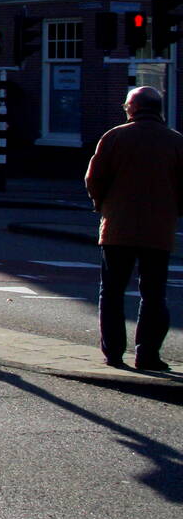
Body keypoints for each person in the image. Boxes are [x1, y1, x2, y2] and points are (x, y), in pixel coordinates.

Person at [83, 85, 182, 371]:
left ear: (133, 108)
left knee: (112, 292)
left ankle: (114, 353)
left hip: (117, 228)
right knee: (154, 294)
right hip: (158, 230)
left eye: (127, 106)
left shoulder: (114, 137)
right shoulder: (176, 142)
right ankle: (148, 354)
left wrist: (101, 203)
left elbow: (94, 177)